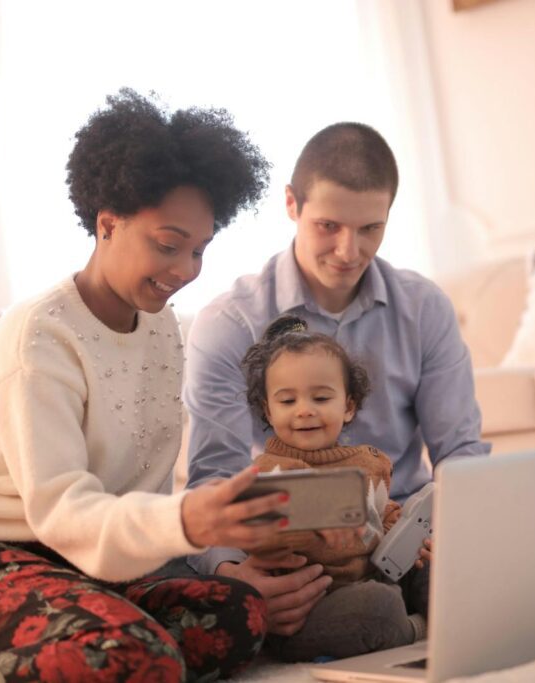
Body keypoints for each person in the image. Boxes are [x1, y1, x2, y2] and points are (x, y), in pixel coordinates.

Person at [0, 88, 281, 683]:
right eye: (168, 245)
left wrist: (214, 555)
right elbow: (64, 513)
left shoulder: (161, 328)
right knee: (133, 657)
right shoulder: (39, 338)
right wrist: (185, 521)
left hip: (82, 573)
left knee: (237, 614)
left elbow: (133, 500)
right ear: (107, 222)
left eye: (199, 249)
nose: (186, 270)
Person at [183, 122, 490, 653]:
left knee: (503, 577)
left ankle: (429, 608)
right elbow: (212, 480)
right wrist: (237, 573)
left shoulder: (424, 308)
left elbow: (460, 454)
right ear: (291, 205)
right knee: (356, 612)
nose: (349, 250)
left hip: (408, 535)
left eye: (371, 227)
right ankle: (417, 625)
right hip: (300, 554)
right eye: (329, 225)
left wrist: (452, 533)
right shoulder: (230, 322)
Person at [239, 314, 427, 661]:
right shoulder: (268, 472)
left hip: (379, 573)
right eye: (287, 401)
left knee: (433, 567)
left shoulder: (370, 462)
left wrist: (410, 542)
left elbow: (387, 513)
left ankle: (452, 618)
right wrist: (316, 512)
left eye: (321, 399)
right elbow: (257, 534)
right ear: (268, 409)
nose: (305, 411)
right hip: (314, 610)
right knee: (378, 608)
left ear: (349, 406)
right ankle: (418, 630)